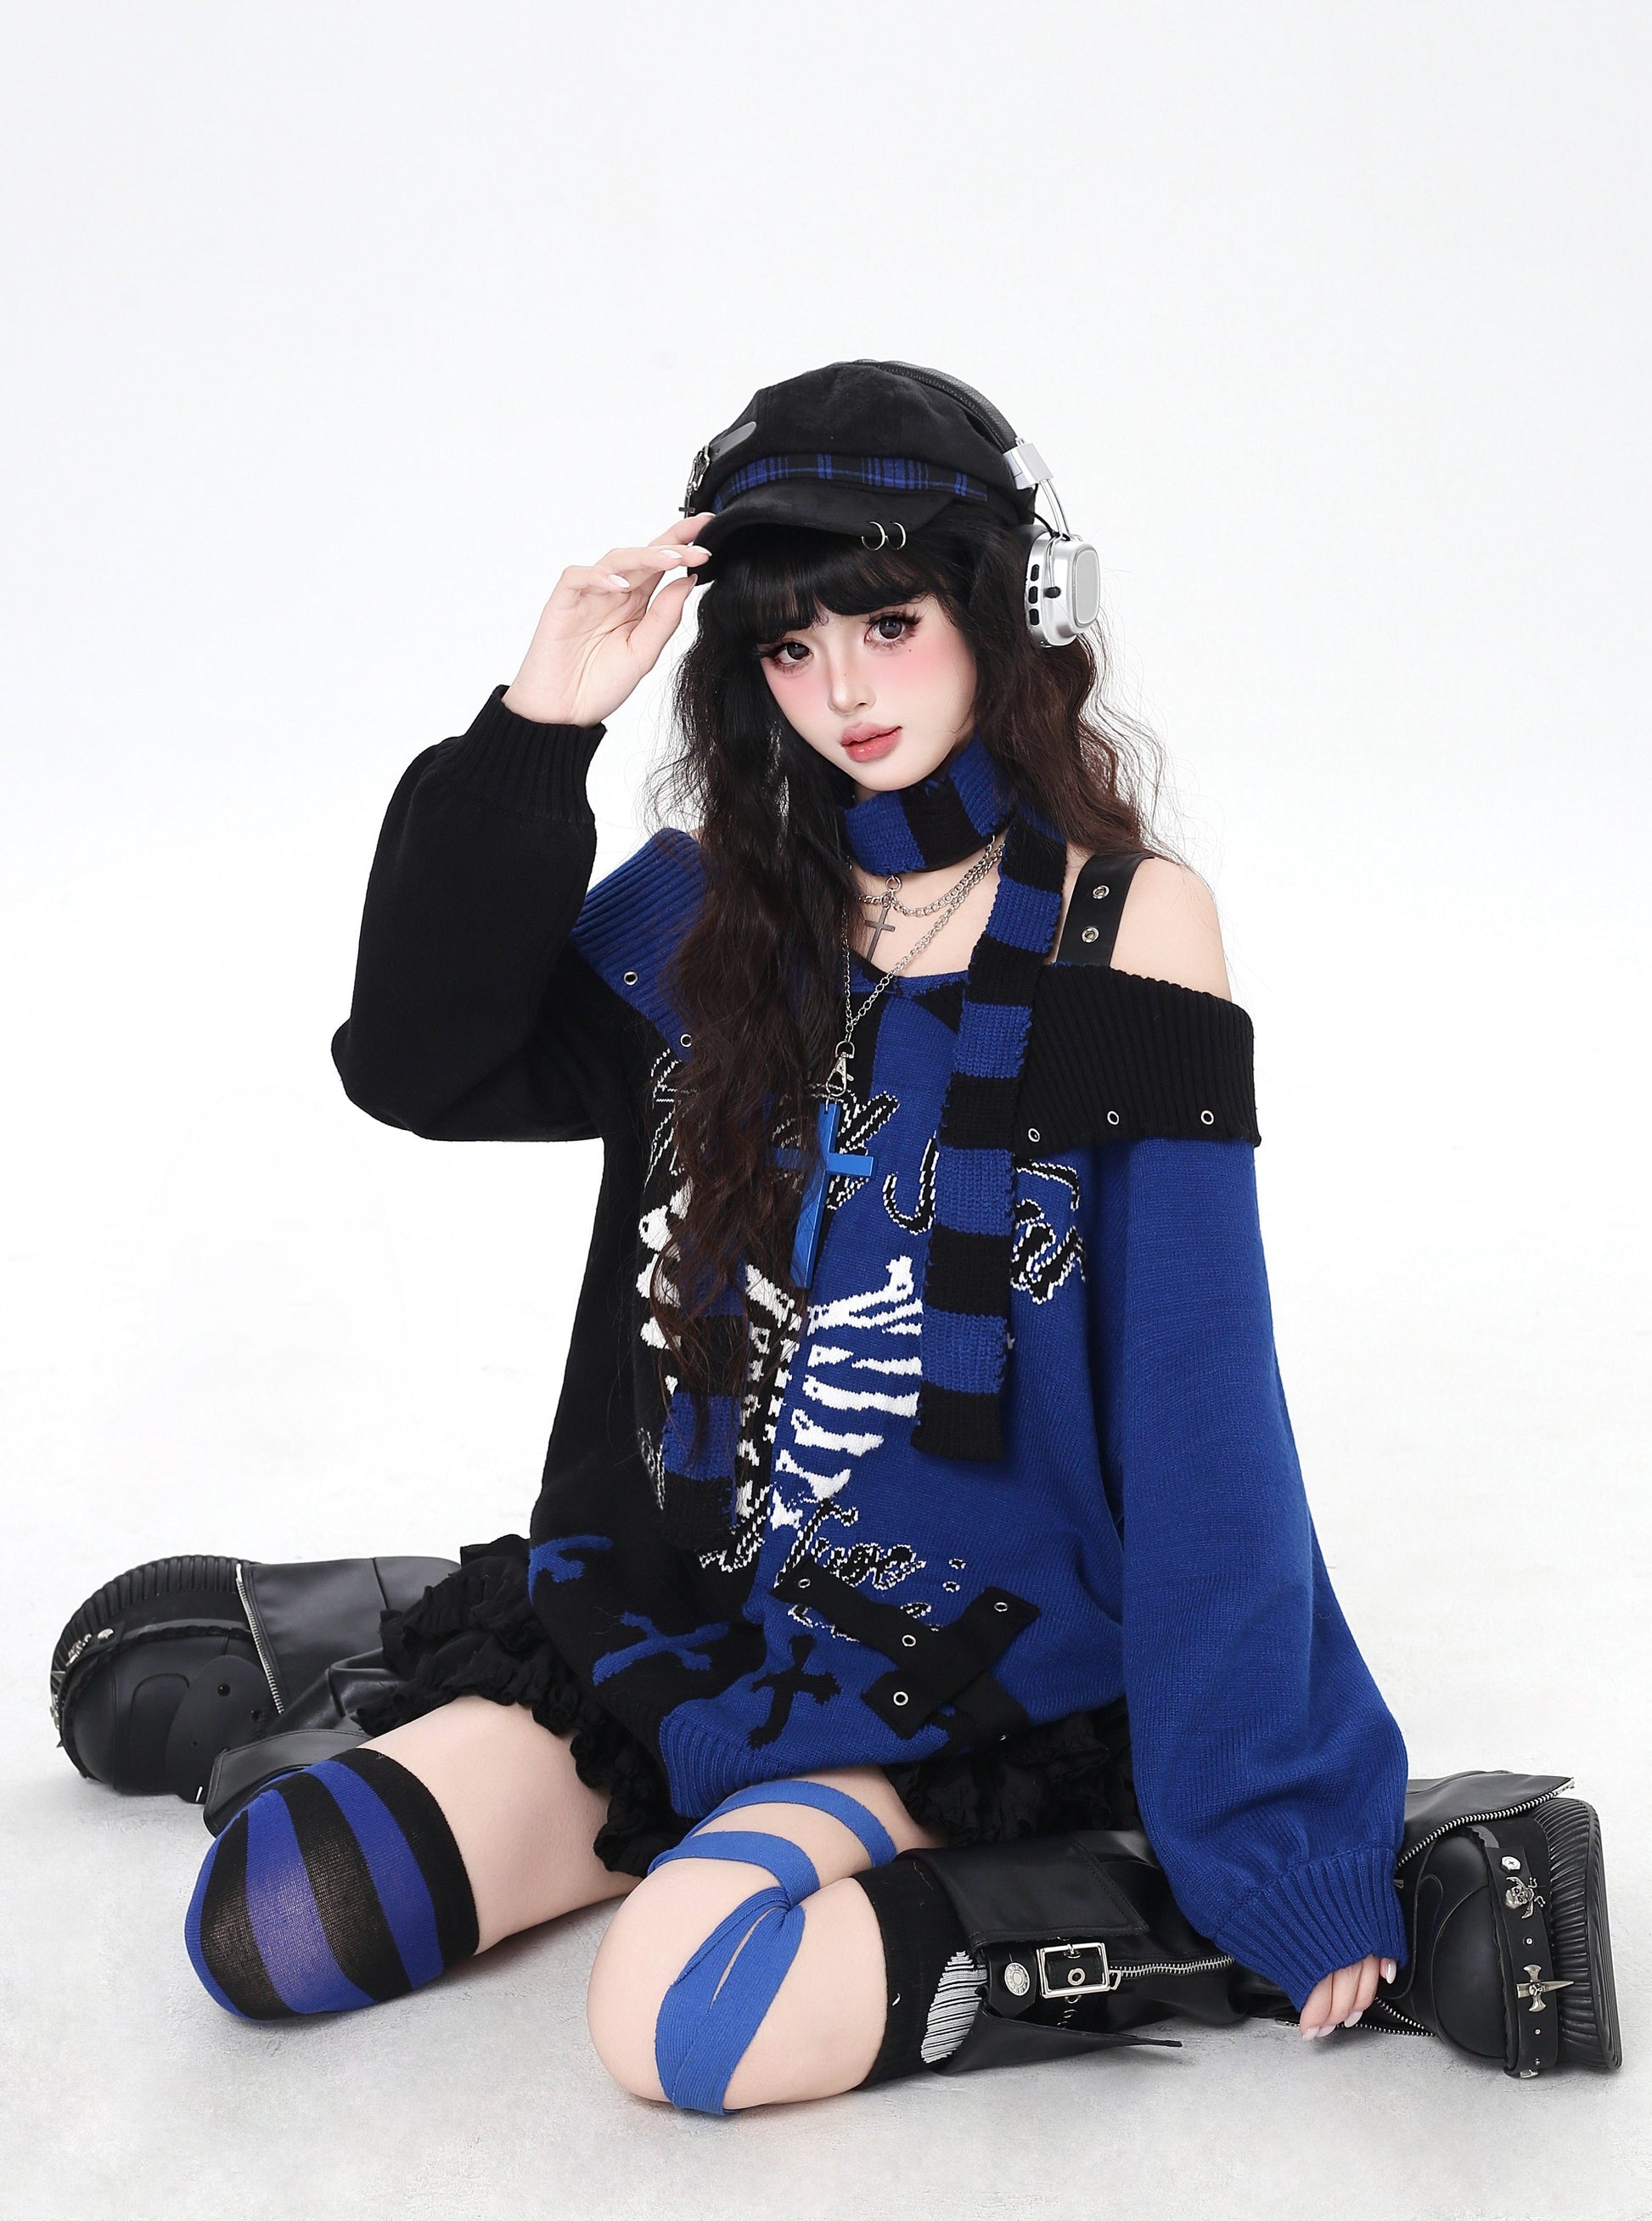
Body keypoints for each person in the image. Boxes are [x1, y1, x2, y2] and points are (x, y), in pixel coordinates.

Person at [149, 363, 1612, 2105]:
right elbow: (418, 1062)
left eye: (889, 624)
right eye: (788, 645)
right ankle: (520, 1704)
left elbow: (1201, 1393)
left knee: (682, 2019)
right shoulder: (709, 910)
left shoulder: (1126, 932)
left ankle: (1183, 1907)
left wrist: (1272, 1832)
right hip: (672, 1622)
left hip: (959, 1675)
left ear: (1006, 616)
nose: (840, 689)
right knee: (271, 1916)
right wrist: (537, 728)